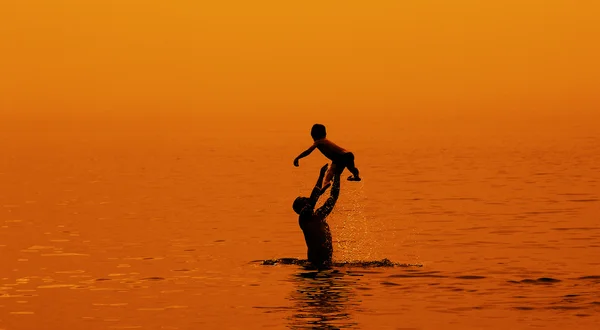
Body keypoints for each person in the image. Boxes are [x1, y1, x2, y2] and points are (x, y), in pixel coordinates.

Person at [292, 163, 342, 270]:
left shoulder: (319, 215)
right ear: (301, 207)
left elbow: (334, 197)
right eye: (303, 199)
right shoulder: (304, 217)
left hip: (326, 262)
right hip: (314, 264)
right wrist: (321, 175)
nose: (306, 198)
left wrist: (337, 175)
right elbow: (313, 199)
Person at [293, 124, 361, 187]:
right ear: (325, 134)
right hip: (347, 155)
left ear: (313, 135)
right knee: (349, 169)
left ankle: (326, 184)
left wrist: (298, 158)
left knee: (329, 174)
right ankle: (356, 176)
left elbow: (308, 151)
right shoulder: (325, 140)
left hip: (341, 157)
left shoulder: (319, 142)